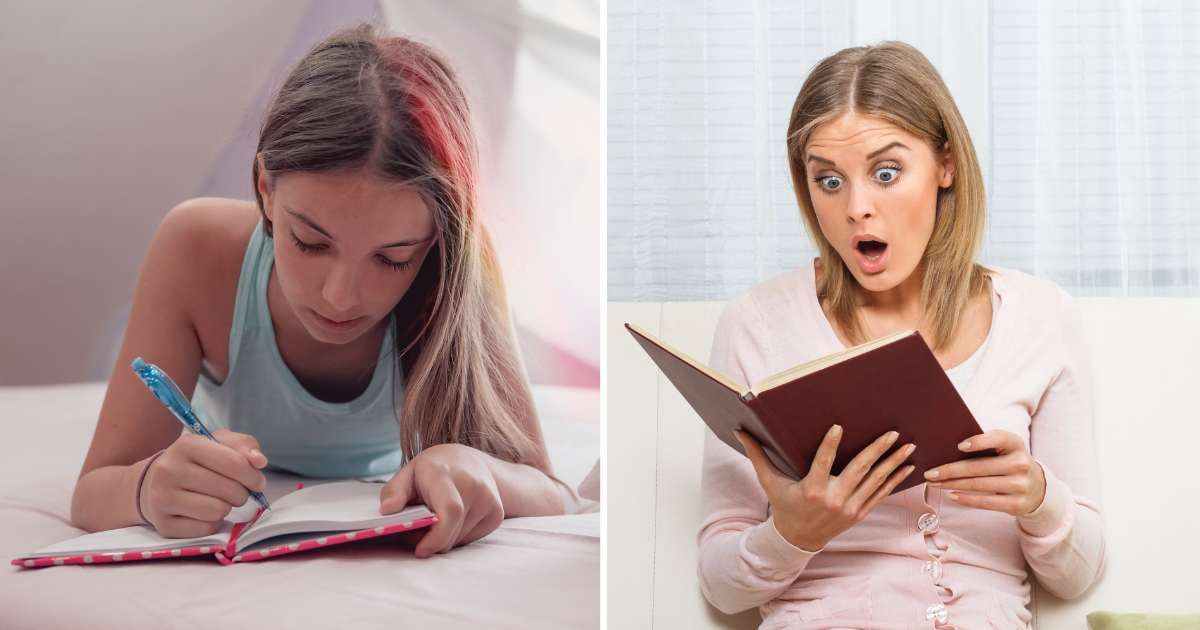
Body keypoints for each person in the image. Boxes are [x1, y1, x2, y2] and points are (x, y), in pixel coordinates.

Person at [70, 24, 570, 559]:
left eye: (392, 258)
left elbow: (553, 494)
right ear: (265, 188)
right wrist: (148, 488)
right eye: (310, 243)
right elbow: (93, 492)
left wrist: (479, 467)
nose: (340, 298)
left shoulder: (462, 263)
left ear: (436, 238)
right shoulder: (195, 246)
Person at [697, 41, 1105, 628]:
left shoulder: (1040, 316)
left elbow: (1078, 573)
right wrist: (791, 533)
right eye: (829, 181)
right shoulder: (756, 323)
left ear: (946, 165)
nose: (856, 207)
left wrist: (1039, 499)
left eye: (886, 173)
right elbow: (721, 585)